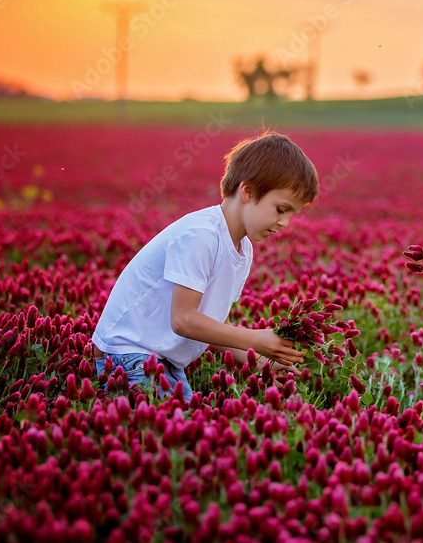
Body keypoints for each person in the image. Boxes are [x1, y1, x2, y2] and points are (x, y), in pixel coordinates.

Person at [90, 131, 315, 403]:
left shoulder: (243, 250)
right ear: (247, 191)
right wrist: (255, 340)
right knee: (171, 432)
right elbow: (184, 320)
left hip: (163, 358)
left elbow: (213, 326)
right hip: (127, 353)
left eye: (292, 215)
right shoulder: (201, 235)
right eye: (280, 210)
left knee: (188, 429)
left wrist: (262, 362)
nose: (285, 224)